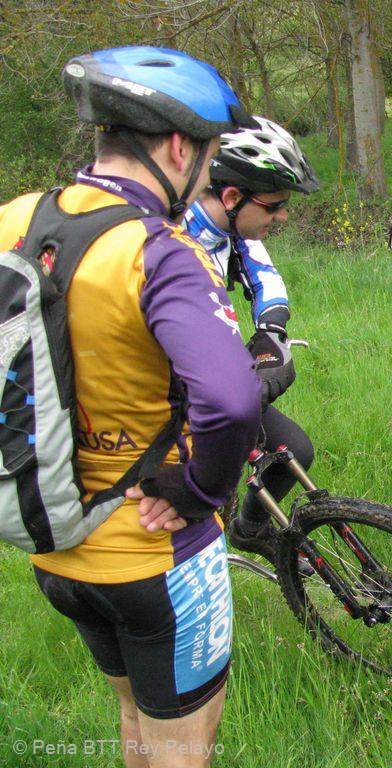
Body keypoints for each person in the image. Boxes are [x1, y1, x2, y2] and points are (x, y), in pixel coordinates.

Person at [0, 46, 261, 766]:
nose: (207, 175)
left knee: (134, 722)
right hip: (156, 552)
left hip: (54, 542)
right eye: (208, 157)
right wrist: (201, 490)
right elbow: (231, 399)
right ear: (179, 147)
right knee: (181, 748)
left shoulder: (15, 217)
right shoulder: (160, 251)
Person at [183, 116, 320, 565]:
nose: (282, 216)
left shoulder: (230, 227)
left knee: (294, 451)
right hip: (167, 403)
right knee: (201, 509)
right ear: (231, 196)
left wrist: (270, 336)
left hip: (210, 378)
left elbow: (265, 279)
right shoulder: (174, 240)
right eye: (275, 205)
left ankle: (251, 530)